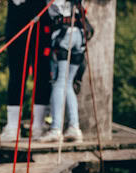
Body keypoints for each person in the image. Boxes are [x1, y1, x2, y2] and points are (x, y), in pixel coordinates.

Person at [38, 0, 93, 142]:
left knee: (59, 82)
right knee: (68, 83)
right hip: (78, 35)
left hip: (63, 35)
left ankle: (56, 129)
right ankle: (74, 127)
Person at [0, 0, 54, 142]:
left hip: (38, 17)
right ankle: (16, 126)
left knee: (39, 72)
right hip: (26, 17)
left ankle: (34, 126)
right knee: (20, 73)